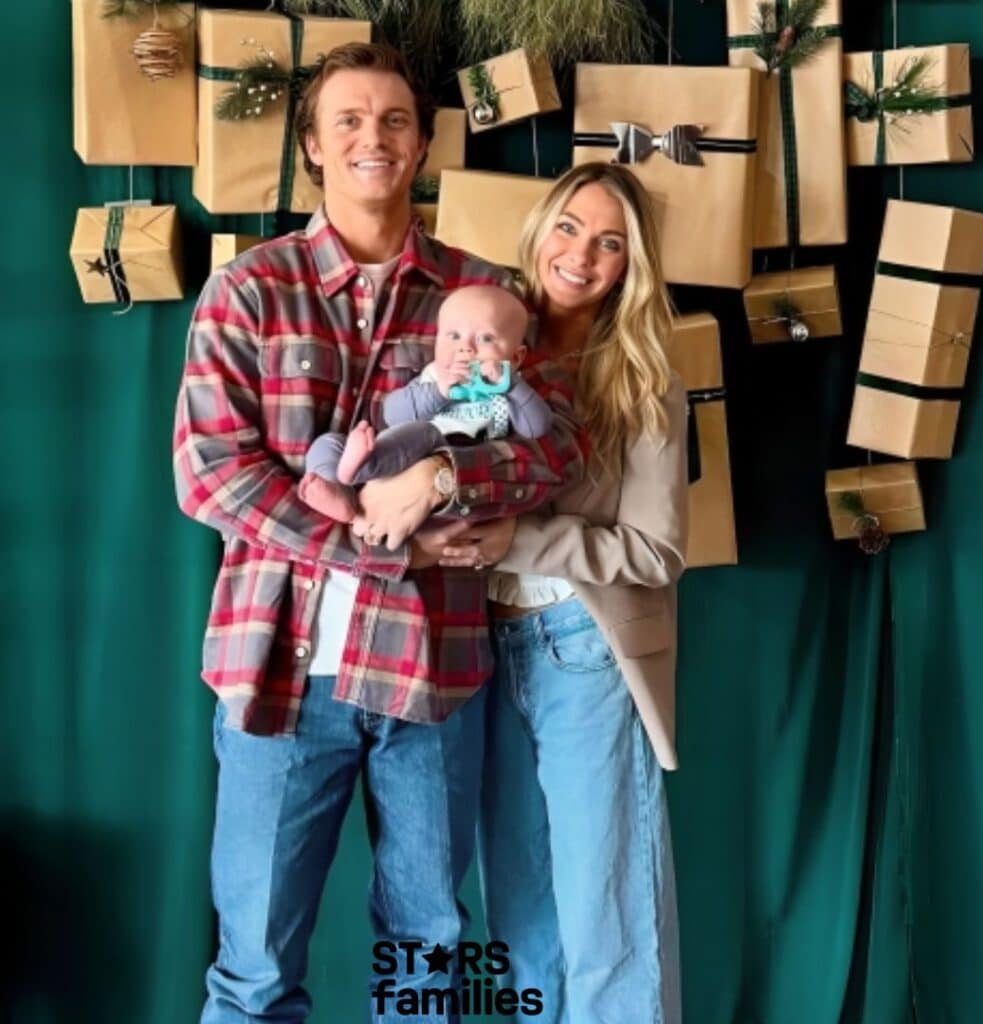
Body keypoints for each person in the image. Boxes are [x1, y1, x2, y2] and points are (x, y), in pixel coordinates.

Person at [172, 41, 585, 1023]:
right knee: (256, 965)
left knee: (427, 951)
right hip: (278, 671)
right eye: (348, 120)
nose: (372, 137)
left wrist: (449, 474)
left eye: (394, 120)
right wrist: (367, 534)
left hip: (430, 674)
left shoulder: (479, 296)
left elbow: (551, 448)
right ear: (313, 147)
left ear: (425, 145)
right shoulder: (248, 291)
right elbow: (211, 472)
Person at [436, 162, 688, 1024]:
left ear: (632, 265)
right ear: (540, 229)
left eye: (610, 242)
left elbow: (656, 551)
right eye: (571, 228)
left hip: (581, 645)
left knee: (605, 911)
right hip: (477, 649)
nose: (582, 255)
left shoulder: (644, 375)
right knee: (520, 911)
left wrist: (518, 538)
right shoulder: (481, 340)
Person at [299, 284, 552, 524]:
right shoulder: (434, 377)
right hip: (391, 453)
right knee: (329, 443)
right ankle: (336, 491)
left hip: (446, 461)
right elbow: (393, 413)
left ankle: (358, 468)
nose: (466, 348)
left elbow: (537, 427)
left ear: (516, 358)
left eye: (486, 338)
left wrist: (512, 386)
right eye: (453, 336)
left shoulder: (507, 391)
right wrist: (440, 392)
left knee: (426, 431)